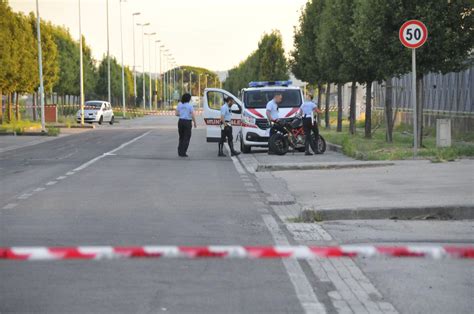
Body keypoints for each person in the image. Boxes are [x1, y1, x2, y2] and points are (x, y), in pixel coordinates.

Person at [175, 93, 197, 157]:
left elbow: (176, 114)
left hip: (180, 121)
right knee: (187, 137)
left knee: (181, 137)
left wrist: (182, 115)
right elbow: (192, 115)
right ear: (189, 99)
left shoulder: (179, 104)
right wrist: (195, 123)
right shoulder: (190, 106)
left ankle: (180, 151)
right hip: (187, 122)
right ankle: (183, 152)